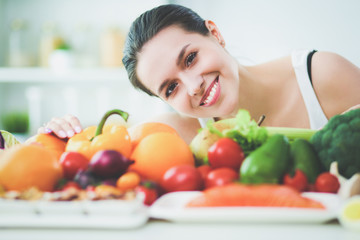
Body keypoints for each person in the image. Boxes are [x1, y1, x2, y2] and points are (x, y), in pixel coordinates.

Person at [38, 4, 360, 144]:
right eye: (170, 88)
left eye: (190, 58)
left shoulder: (320, 75)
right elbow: (98, 152)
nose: (193, 86)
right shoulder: (181, 135)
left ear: (215, 33)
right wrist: (60, 135)